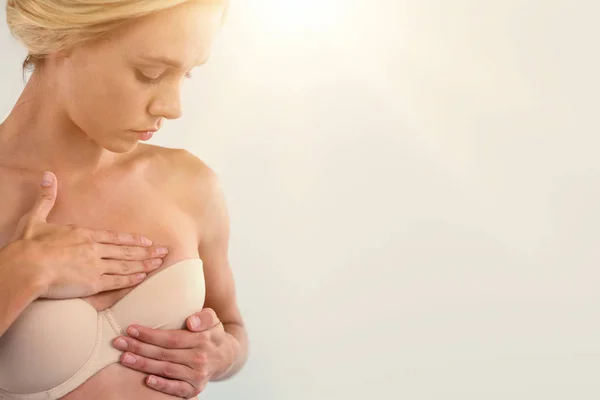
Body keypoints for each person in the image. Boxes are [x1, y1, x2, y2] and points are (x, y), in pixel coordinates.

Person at [0, 0, 248, 399]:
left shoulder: (190, 184)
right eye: (149, 73)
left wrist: (221, 354)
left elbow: (233, 329)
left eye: (186, 74)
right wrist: (21, 271)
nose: (173, 107)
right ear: (64, 40)